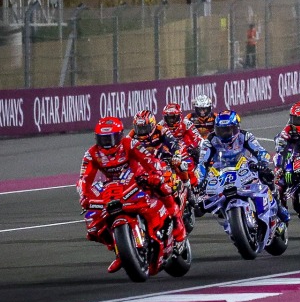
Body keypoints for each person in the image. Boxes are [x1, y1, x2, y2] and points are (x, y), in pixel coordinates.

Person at [78, 116, 183, 273]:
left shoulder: (130, 143)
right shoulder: (91, 154)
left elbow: (148, 159)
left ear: (119, 136)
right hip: (113, 189)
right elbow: (84, 179)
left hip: (138, 179)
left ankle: (178, 227)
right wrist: (84, 197)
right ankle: (120, 251)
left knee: (164, 187)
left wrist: (154, 174)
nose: (107, 143)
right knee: (92, 225)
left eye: (110, 138)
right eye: (103, 139)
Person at [161, 103, 205, 186]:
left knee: (189, 164)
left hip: (185, 152)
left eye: (173, 118)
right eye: (168, 118)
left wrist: (199, 148)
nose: (171, 121)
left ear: (179, 116)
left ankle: (195, 185)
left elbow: (198, 138)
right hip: (167, 154)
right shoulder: (160, 126)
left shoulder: (186, 123)